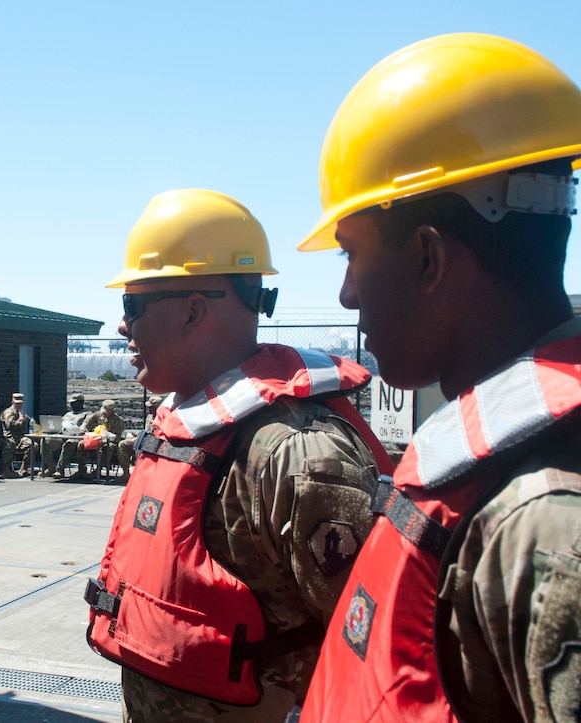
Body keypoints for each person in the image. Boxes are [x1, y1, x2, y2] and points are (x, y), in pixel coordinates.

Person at [291, 34, 581, 723]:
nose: (345, 296)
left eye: (351, 254)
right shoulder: (501, 479)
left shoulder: (540, 518)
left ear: (427, 257)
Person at [84, 189, 394, 721]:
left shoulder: (297, 456)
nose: (121, 326)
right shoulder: (186, 428)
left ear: (194, 311)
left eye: (131, 306)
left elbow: (378, 654)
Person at [116, 395, 162, 483]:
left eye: (151, 407)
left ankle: (141, 473)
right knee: (123, 444)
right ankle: (126, 472)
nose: (149, 409)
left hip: (155, 443)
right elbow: (147, 430)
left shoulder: (163, 418)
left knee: (141, 447)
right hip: (145, 439)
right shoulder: (149, 417)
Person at [77, 399, 126, 480]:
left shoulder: (117, 420)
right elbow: (86, 423)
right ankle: (81, 469)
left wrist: (107, 437)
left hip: (109, 441)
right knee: (81, 444)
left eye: (106, 413)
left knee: (108, 447)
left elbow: (117, 436)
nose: (104, 414)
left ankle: (98, 470)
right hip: (95, 439)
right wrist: (83, 429)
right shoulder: (97, 415)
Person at [50, 393, 90, 478]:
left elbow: (85, 427)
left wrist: (77, 431)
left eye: (73, 403)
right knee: (46, 442)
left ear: (80, 403)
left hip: (76, 438)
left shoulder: (87, 414)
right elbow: (60, 424)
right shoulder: (68, 414)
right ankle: (49, 468)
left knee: (69, 443)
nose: (71, 405)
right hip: (62, 435)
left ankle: (60, 470)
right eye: (71, 403)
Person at [1, 392, 34, 476]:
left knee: (33, 445)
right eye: (17, 404)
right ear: (13, 403)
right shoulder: (9, 412)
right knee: (9, 445)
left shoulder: (20, 413)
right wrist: (21, 420)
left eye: (20, 404)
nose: (19, 405)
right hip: (11, 437)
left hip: (21, 438)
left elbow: (30, 421)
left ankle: (24, 468)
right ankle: (6, 470)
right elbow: (9, 426)